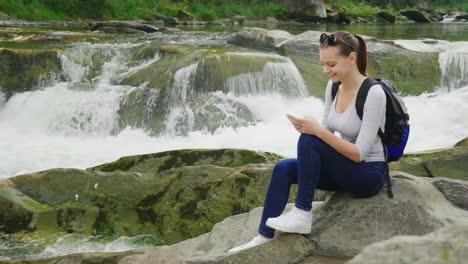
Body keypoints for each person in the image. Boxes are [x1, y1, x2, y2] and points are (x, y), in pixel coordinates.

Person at [228, 31, 388, 253]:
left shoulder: (374, 93)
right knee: (283, 167)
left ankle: (302, 212)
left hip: (368, 174)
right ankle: (264, 235)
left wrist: (316, 133)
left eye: (331, 64)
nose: (325, 70)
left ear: (352, 58)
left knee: (310, 138)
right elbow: (326, 133)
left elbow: (359, 153)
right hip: (345, 170)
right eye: (323, 64)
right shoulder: (334, 87)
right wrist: (311, 129)